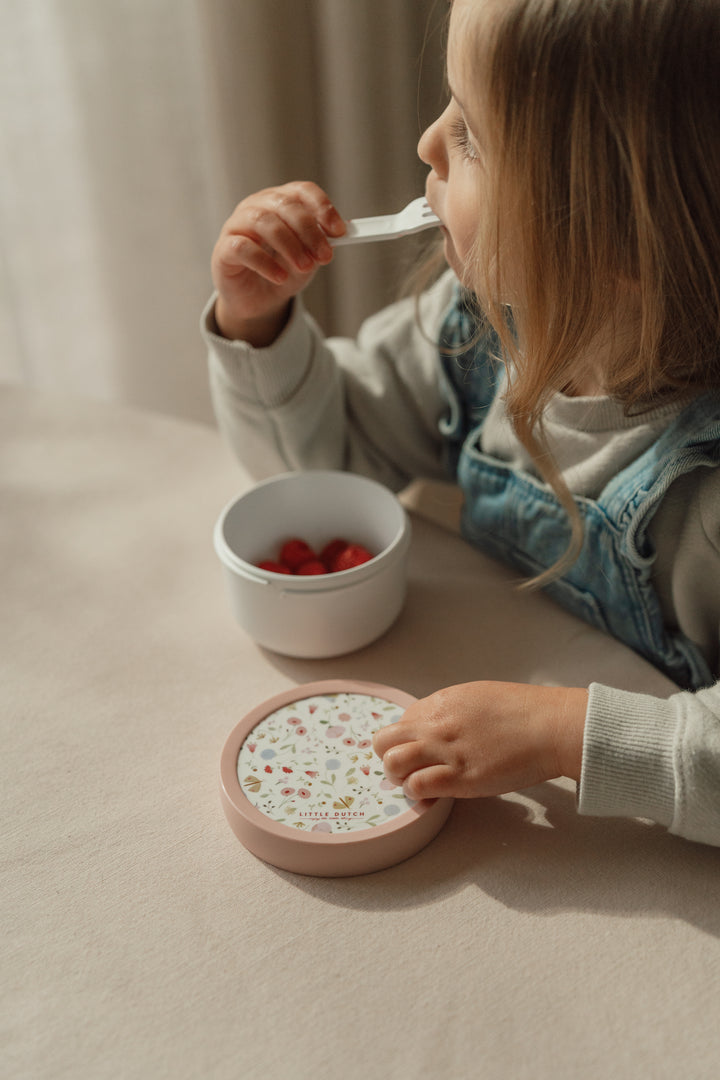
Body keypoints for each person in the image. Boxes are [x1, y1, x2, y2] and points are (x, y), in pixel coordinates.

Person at [201, 0, 720, 847]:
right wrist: (256, 326)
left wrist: (563, 734)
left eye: (472, 136)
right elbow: (324, 471)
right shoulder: (475, 324)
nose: (426, 146)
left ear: (621, 238)